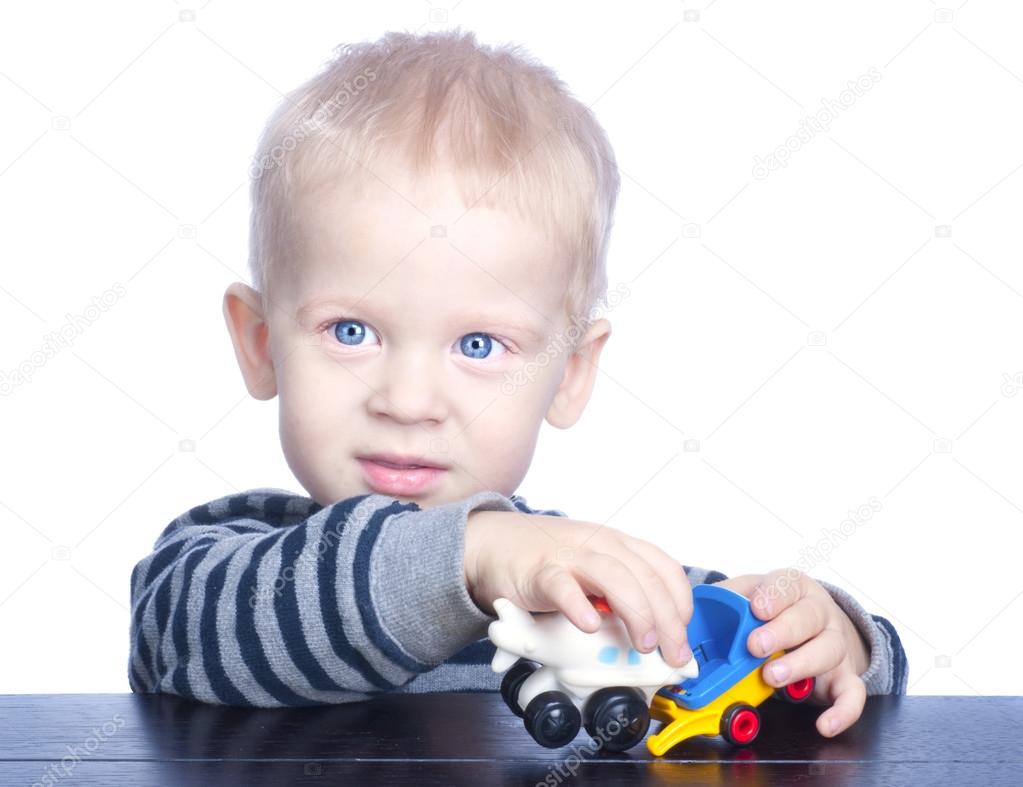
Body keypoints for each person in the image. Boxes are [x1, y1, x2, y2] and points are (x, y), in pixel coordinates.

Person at [128, 29, 907, 739]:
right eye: (351, 331)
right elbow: (194, 637)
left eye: (477, 343)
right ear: (261, 343)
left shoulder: (572, 578)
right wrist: (469, 555)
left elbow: (805, 665)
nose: (407, 401)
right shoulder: (212, 563)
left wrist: (820, 636)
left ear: (568, 374)